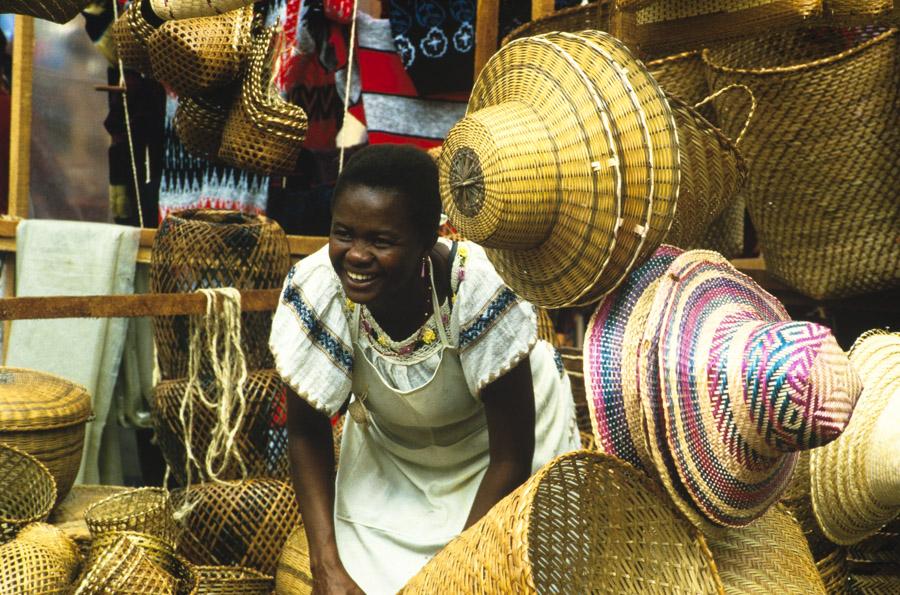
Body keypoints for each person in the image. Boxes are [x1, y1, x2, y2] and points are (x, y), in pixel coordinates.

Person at [269, 144, 580, 594]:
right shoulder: (318, 289)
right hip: (396, 453)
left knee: (502, 578)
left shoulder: (477, 291)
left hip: (499, 453)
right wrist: (326, 568)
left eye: (381, 241)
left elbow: (511, 458)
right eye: (344, 233)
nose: (356, 255)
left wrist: (453, 572)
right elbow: (304, 433)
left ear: (425, 243)